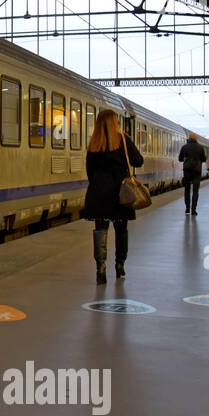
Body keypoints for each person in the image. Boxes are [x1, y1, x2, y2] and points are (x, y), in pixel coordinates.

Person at [83, 108, 144, 284]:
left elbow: (90, 170)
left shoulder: (94, 142)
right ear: (115, 122)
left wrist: (98, 183)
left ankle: (100, 267)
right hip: (121, 193)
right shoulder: (123, 139)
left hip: (99, 192)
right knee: (121, 230)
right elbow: (138, 161)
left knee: (100, 229)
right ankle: (119, 264)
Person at [177, 132, 206, 216]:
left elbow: (180, 158)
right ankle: (193, 210)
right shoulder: (200, 147)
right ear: (196, 139)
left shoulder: (184, 147)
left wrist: (186, 159)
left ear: (189, 138)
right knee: (195, 191)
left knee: (187, 190)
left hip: (187, 171)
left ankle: (187, 209)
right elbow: (204, 159)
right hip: (197, 171)